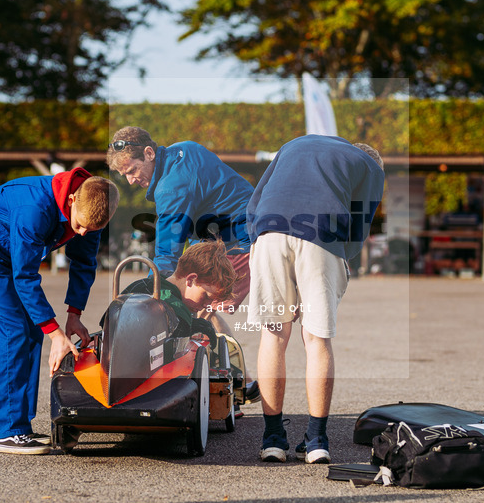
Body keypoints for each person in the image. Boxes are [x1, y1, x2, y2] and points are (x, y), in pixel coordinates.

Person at [0, 168, 118, 455]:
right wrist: (56, 335)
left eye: (90, 231)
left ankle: (21, 427)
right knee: (11, 330)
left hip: (10, 246)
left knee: (33, 329)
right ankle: (6, 432)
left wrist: (73, 315)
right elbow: (25, 277)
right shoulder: (33, 209)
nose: (81, 233)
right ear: (70, 200)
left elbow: (83, 263)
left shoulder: (93, 209)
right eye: (78, 226)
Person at [246, 135, 385, 464]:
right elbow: (359, 226)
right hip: (322, 235)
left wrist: (257, 237)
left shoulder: (295, 144)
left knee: (274, 335)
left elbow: (255, 200)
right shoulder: (371, 167)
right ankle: (317, 440)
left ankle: (272, 439)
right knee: (317, 339)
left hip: (269, 231)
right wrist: (343, 258)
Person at [106, 126, 260, 402]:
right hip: (228, 234)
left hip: (240, 240)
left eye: (131, 171)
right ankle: (237, 379)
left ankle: (234, 382)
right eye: (124, 175)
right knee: (202, 307)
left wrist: (156, 286)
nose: (130, 180)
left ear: (149, 153)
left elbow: (168, 245)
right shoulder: (183, 149)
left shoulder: (171, 186)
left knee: (199, 307)